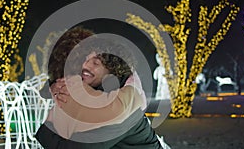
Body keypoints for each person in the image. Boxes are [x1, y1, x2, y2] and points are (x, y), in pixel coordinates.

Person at [35, 27, 165, 149]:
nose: (85, 65)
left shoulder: (121, 108)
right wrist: (53, 85)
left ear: (112, 71)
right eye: (86, 59)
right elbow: (65, 80)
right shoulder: (96, 89)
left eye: (95, 62)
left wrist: (45, 131)